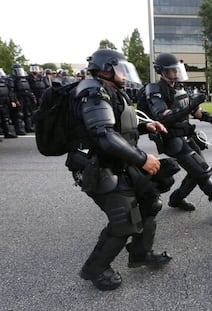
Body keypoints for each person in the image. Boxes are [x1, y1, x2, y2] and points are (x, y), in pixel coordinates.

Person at [64, 49, 179, 291]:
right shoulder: (93, 93)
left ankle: (140, 253)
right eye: (121, 70)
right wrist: (142, 159)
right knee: (124, 220)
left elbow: (120, 125)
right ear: (106, 69)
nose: (125, 75)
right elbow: (105, 136)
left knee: (150, 202)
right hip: (98, 167)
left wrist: (147, 125)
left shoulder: (111, 91)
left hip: (117, 162)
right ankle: (95, 269)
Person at [143, 52, 212, 214]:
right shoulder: (155, 90)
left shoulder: (179, 88)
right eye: (172, 70)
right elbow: (164, 118)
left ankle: (176, 198)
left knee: (198, 171)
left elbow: (197, 113)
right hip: (172, 140)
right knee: (202, 172)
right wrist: (189, 107)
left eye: (177, 69)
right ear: (161, 71)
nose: (176, 73)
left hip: (187, 137)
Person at [9, 64, 37, 133]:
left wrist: (33, 98)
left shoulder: (24, 78)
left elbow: (29, 89)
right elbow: (11, 91)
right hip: (19, 97)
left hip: (26, 97)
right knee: (19, 114)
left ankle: (29, 127)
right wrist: (14, 100)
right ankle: (19, 129)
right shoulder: (12, 79)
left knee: (28, 113)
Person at [0, 68, 18, 138]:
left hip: (4, 103)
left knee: (5, 119)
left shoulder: (4, 82)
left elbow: (9, 92)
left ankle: (7, 132)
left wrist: (12, 101)